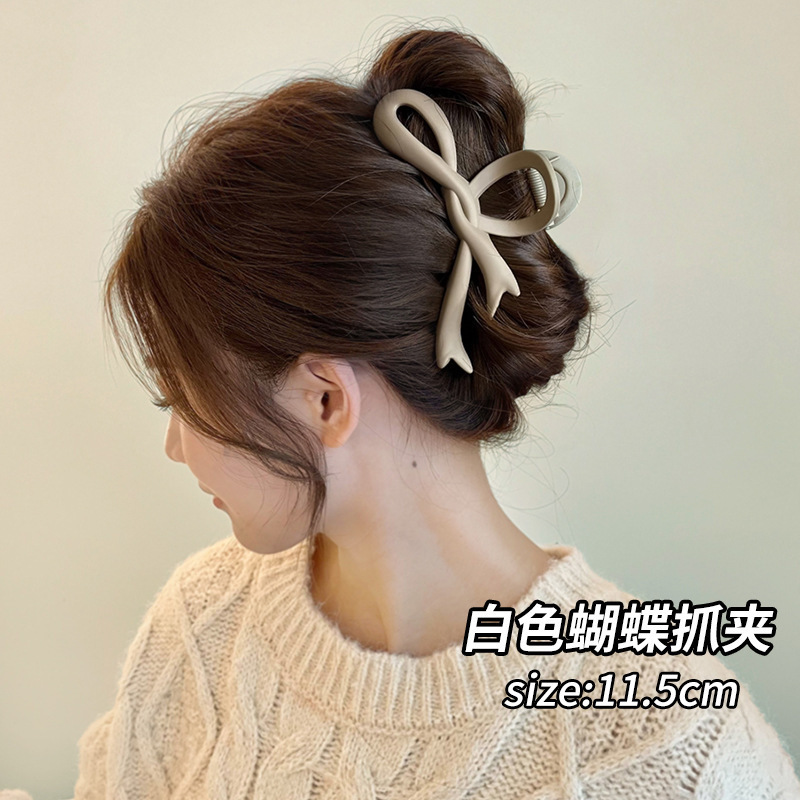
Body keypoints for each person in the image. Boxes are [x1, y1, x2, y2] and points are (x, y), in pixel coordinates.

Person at [37, 23, 799, 800]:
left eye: (181, 397)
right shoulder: (206, 625)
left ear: (326, 400)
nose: (175, 445)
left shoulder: (675, 751)